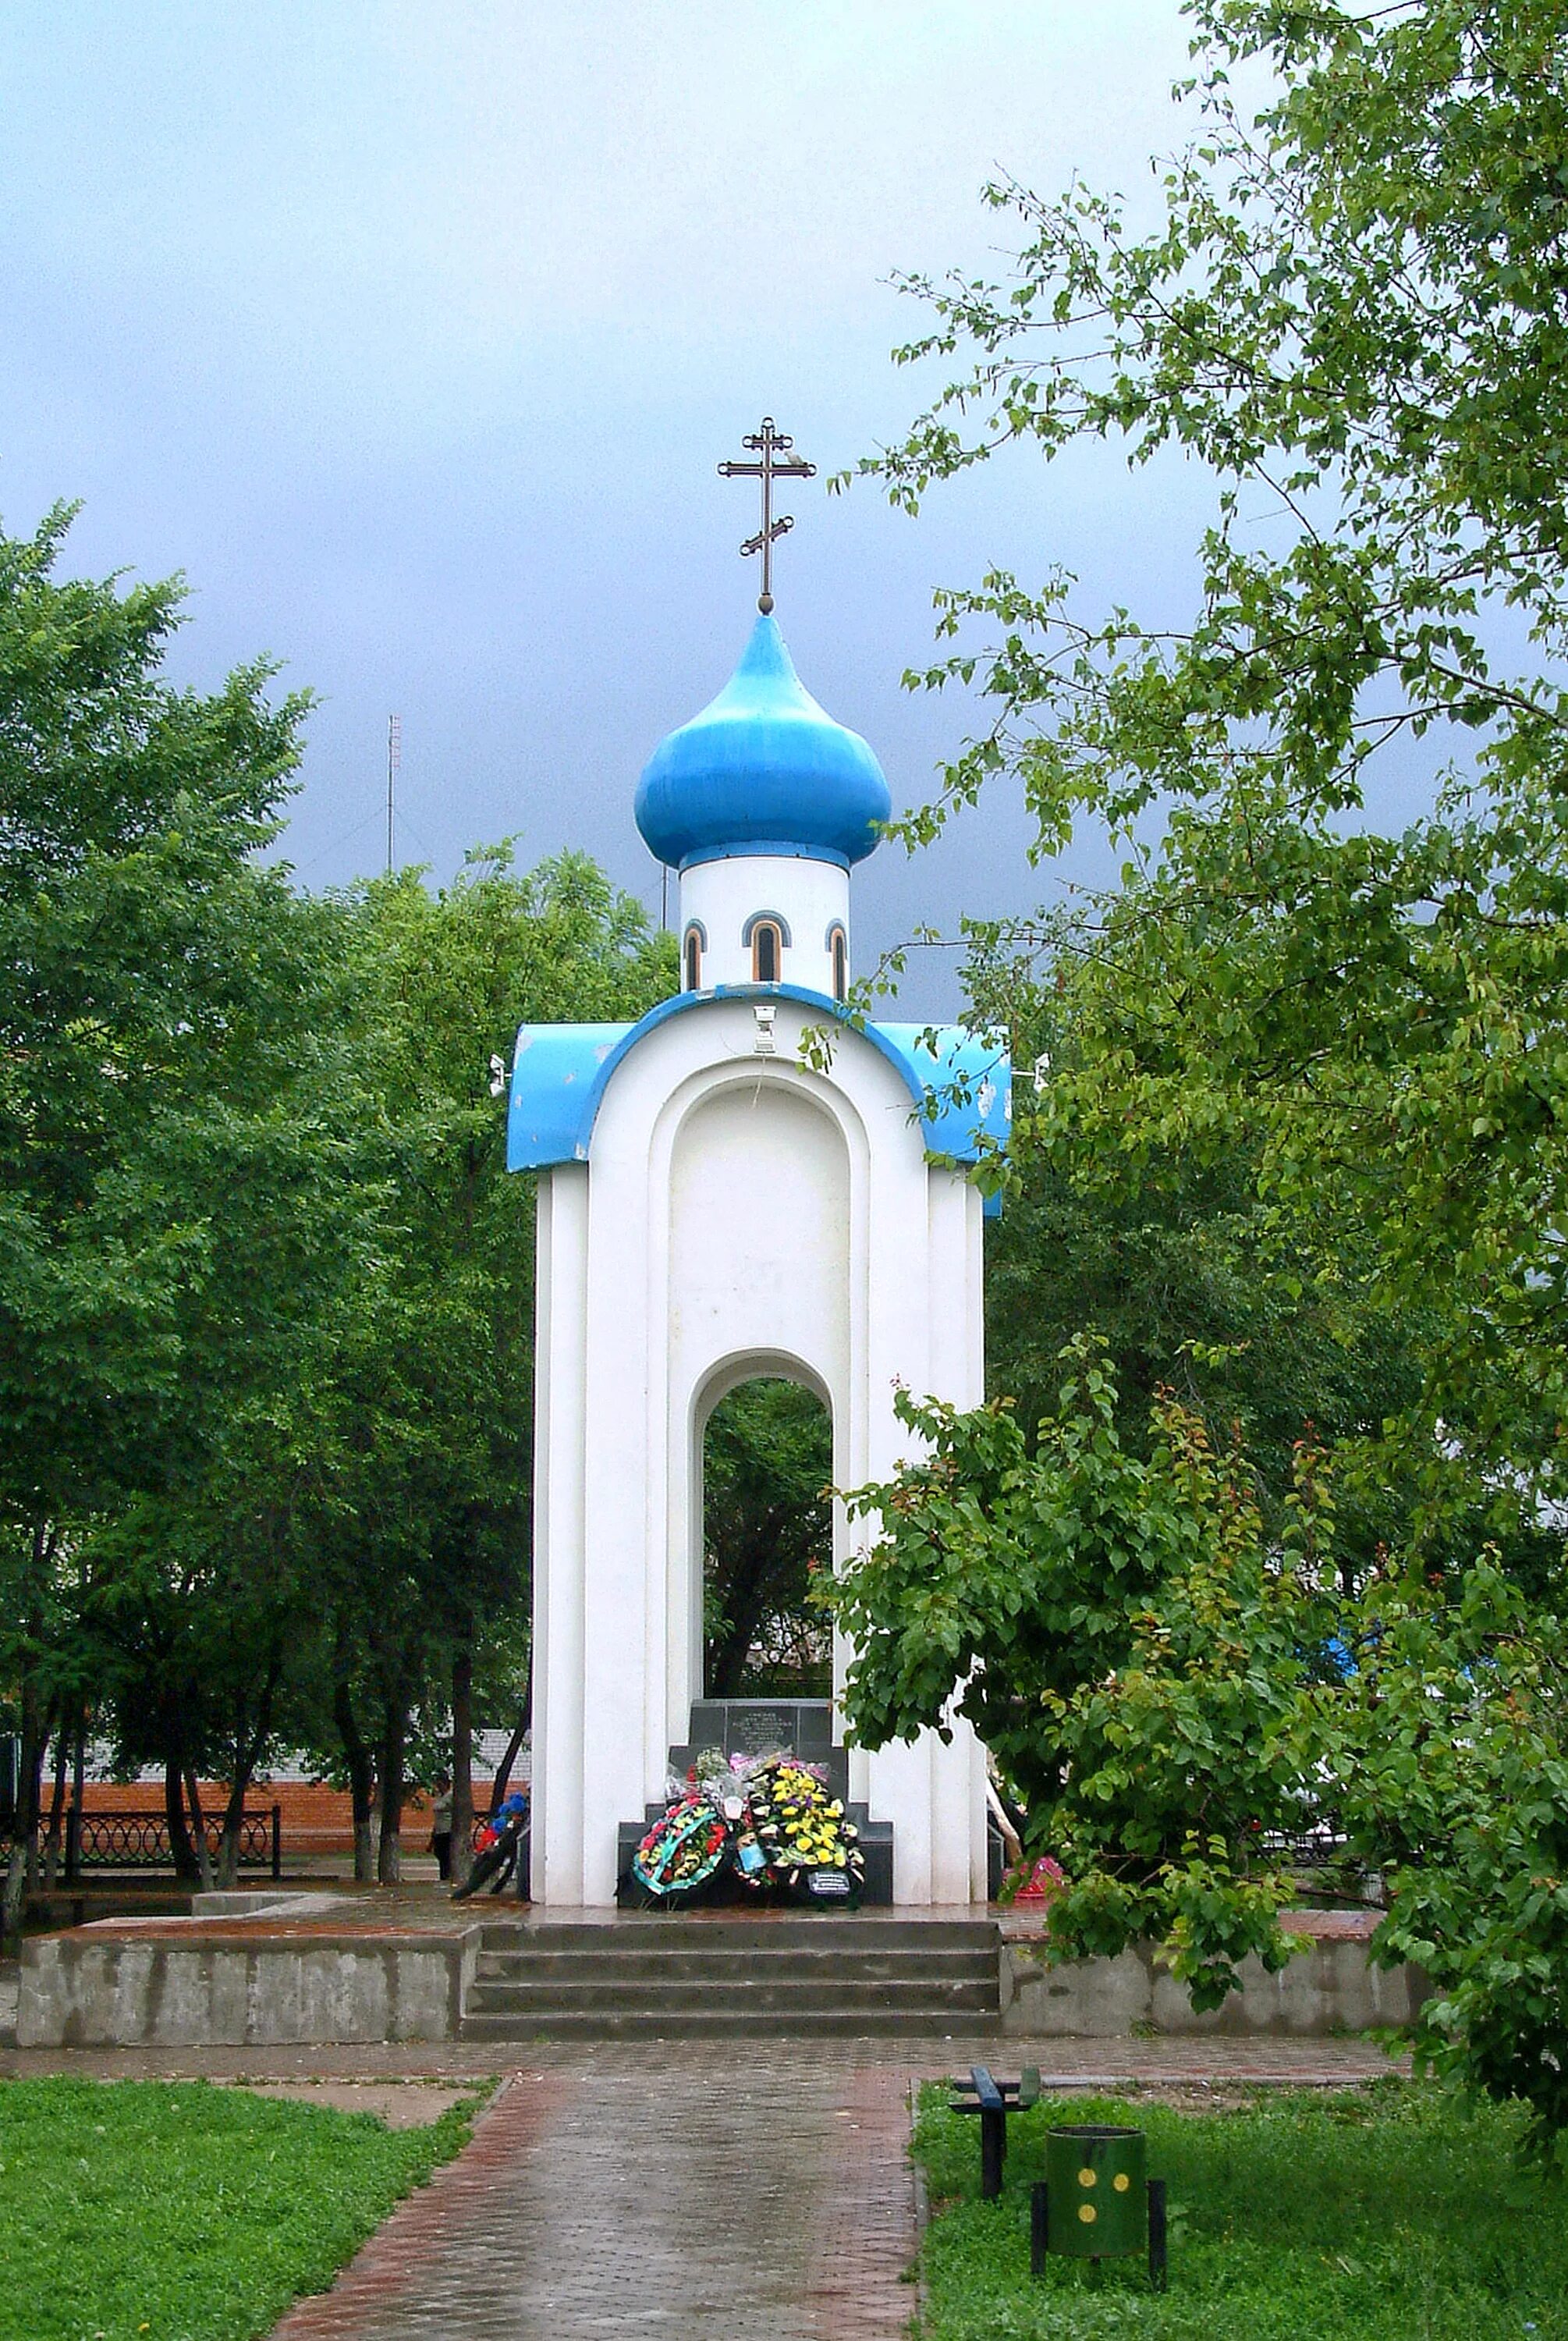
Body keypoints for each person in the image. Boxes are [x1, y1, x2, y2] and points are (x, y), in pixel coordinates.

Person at [430, 1774, 453, 1881]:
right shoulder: (440, 1797)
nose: (438, 1787)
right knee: (440, 1855)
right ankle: (444, 1876)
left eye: (440, 1784)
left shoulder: (451, 1796)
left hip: (447, 1831)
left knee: (446, 1857)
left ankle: (446, 1877)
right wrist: (433, 1834)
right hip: (439, 1831)